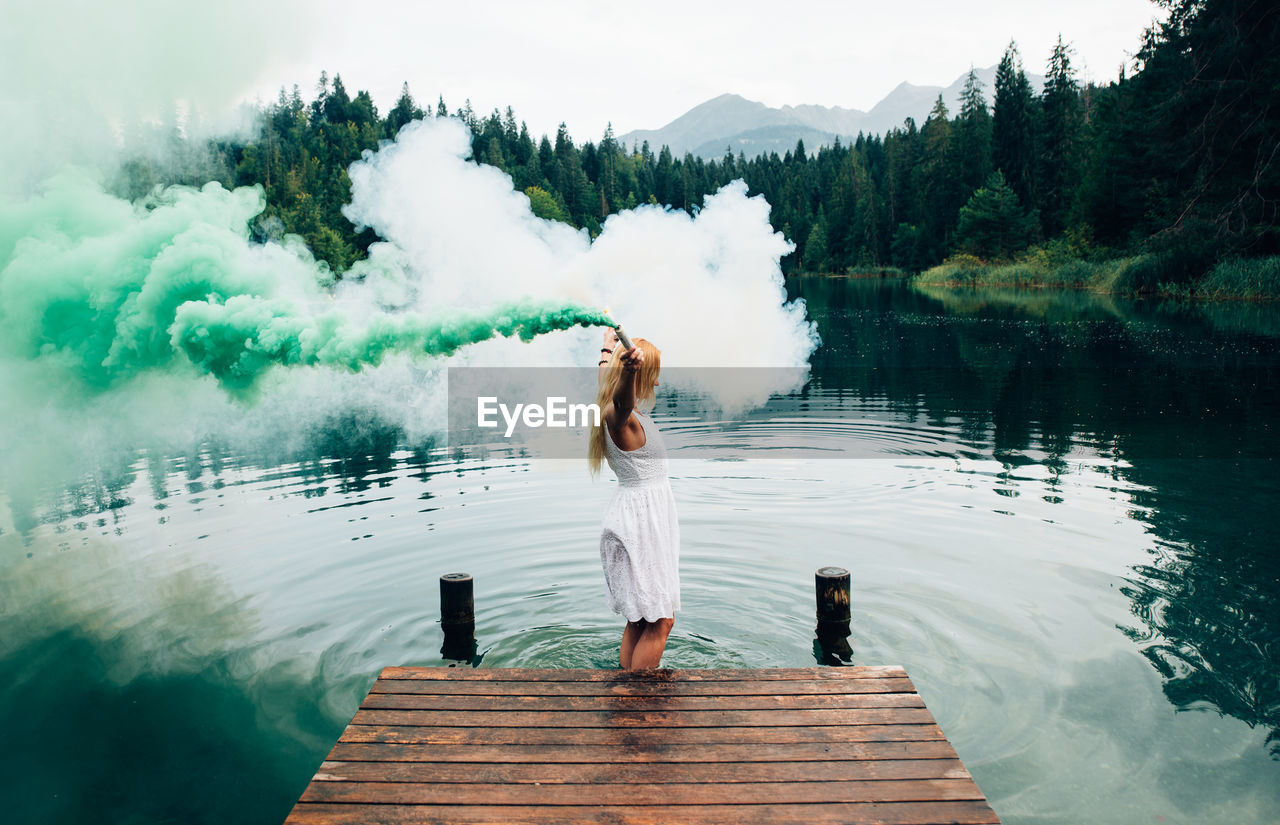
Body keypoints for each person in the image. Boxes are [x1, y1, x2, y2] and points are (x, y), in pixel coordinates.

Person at [589, 328, 679, 670]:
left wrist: (606, 349)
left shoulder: (610, 407)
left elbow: (608, 384)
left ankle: (624, 690)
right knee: (661, 622)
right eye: (652, 375)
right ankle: (639, 701)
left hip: (634, 518)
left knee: (641, 620)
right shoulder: (619, 417)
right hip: (641, 525)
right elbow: (622, 399)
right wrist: (628, 369)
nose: (656, 384)